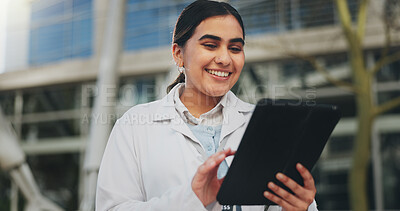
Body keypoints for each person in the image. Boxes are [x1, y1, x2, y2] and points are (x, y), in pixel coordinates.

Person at [96, 0, 318, 210]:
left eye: (235, 48)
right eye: (211, 45)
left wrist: (300, 208)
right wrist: (193, 197)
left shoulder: (267, 126)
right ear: (178, 54)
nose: (224, 59)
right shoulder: (134, 126)